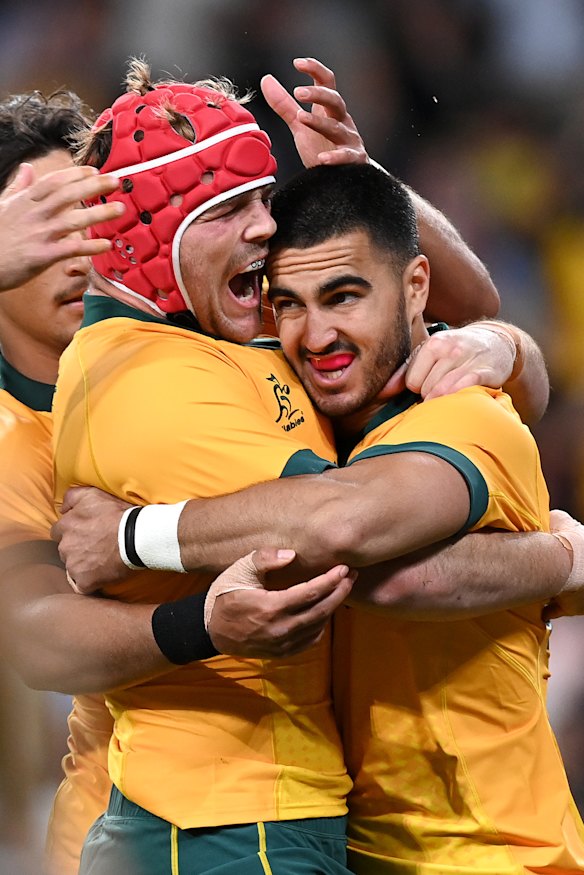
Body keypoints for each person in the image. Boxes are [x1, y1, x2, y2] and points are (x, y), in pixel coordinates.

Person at [42, 55, 573, 875]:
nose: (312, 329)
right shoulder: (158, 375)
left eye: (343, 297)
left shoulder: (452, 406)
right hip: (233, 820)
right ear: (150, 234)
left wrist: (503, 343)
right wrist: (562, 557)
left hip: (485, 853)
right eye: (229, 208)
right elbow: (343, 541)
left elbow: (471, 309)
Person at [0, 89, 124, 871]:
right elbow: (41, 647)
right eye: (45, 224)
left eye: (91, 218)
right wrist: (207, 622)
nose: (79, 251)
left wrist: (500, 345)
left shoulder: (177, 359)